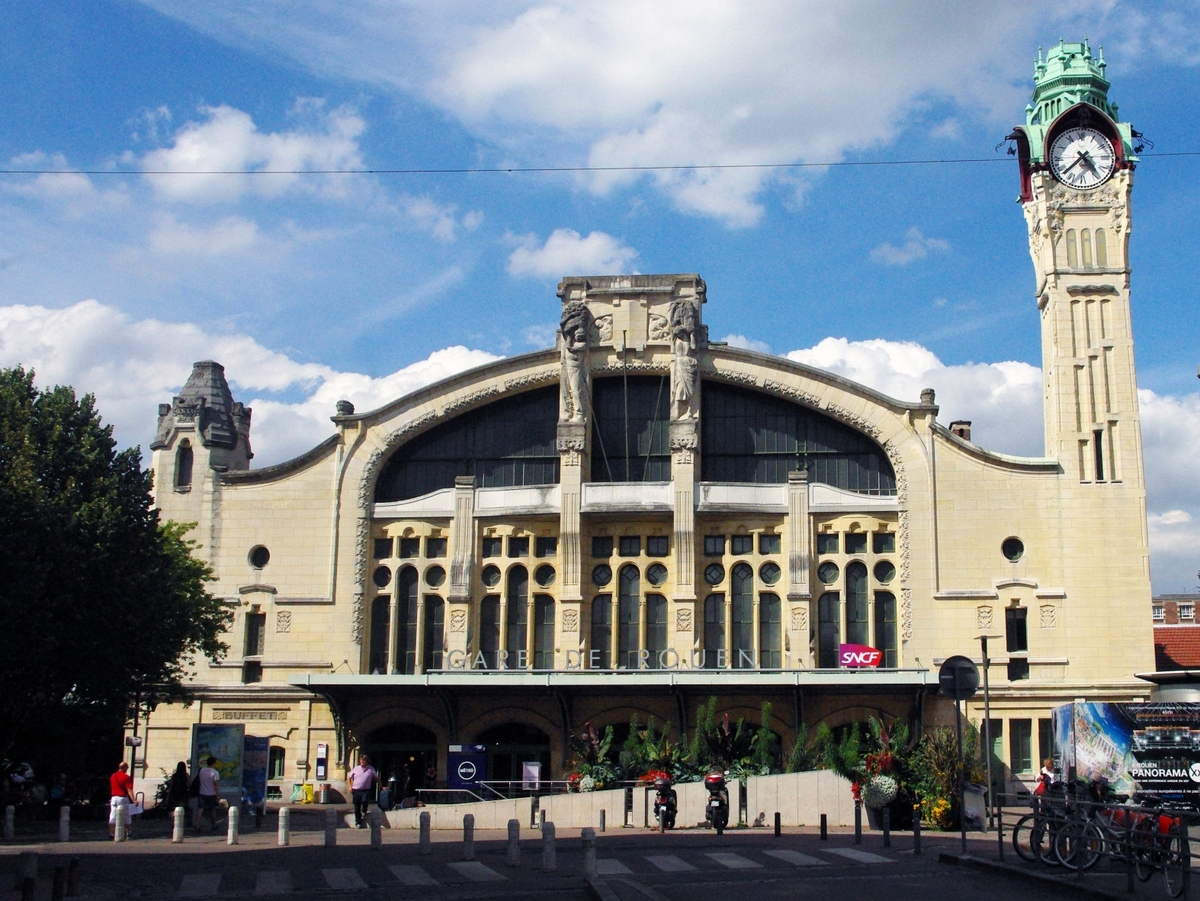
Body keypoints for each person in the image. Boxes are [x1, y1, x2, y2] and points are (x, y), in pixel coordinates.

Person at [347, 755, 380, 828]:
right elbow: (349, 777)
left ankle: (364, 810)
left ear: (366, 761)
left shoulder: (370, 769)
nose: (362, 762)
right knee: (356, 806)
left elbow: (376, 778)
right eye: (361, 760)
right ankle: (358, 822)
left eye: (363, 760)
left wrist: (381, 786)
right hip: (356, 790)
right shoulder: (356, 768)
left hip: (365, 790)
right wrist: (350, 786)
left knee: (365, 800)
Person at [108, 761, 134, 838]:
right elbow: (129, 789)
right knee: (126, 816)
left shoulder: (113, 776)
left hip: (114, 798)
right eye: (127, 768)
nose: (127, 769)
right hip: (122, 798)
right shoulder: (126, 777)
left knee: (113, 816)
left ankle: (111, 833)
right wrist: (133, 800)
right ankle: (129, 832)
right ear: (124, 768)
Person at [197, 757, 221, 832]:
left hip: (202, 792)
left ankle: (197, 825)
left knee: (200, 809)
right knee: (212, 810)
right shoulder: (215, 773)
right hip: (211, 794)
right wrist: (217, 796)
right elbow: (216, 785)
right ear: (214, 763)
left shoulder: (202, 771)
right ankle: (213, 824)